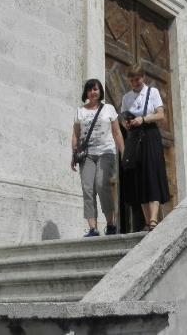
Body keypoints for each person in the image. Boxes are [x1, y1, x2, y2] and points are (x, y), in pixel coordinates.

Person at [71, 78, 124, 237]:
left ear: (100, 91)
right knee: (87, 189)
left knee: (102, 185)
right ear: (86, 92)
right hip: (87, 155)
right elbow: (76, 134)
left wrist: (124, 152)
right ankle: (93, 228)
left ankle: (110, 224)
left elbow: (116, 132)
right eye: (90, 89)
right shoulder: (80, 111)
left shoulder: (108, 108)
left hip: (106, 152)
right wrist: (74, 154)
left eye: (96, 89)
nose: (93, 92)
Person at [120, 63, 170, 231]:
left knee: (152, 174)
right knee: (138, 178)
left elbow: (161, 115)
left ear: (143, 77)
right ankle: (147, 222)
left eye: (138, 79)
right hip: (134, 137)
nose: (135, 83)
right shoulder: (126, 97)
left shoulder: (153, 92)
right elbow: (122, 117)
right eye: (132, 80)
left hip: (150, 135)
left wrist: (143, 119)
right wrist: (126, 124)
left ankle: (154, 219)